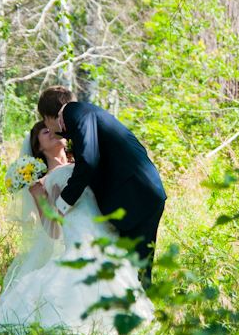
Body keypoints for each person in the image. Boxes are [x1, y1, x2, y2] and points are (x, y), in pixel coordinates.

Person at [0, 121, 154, 335]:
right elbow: (53, 231)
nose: (52, 131)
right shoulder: (43, 183)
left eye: (53, 128)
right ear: (38, 147)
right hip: (77, 241)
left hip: (106, 235)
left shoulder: (83, 166)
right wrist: (40, 197)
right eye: (44, 131)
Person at [38, 86, 166, 289]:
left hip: (137, 193)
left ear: (48, 116)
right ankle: (138, 314)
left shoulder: (74, 111)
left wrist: (63, 203)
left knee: (137, 268)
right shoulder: (84, 114)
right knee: (134, 267)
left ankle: (143, 314)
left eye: (44, 121)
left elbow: (88, 160)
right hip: (139, 191)